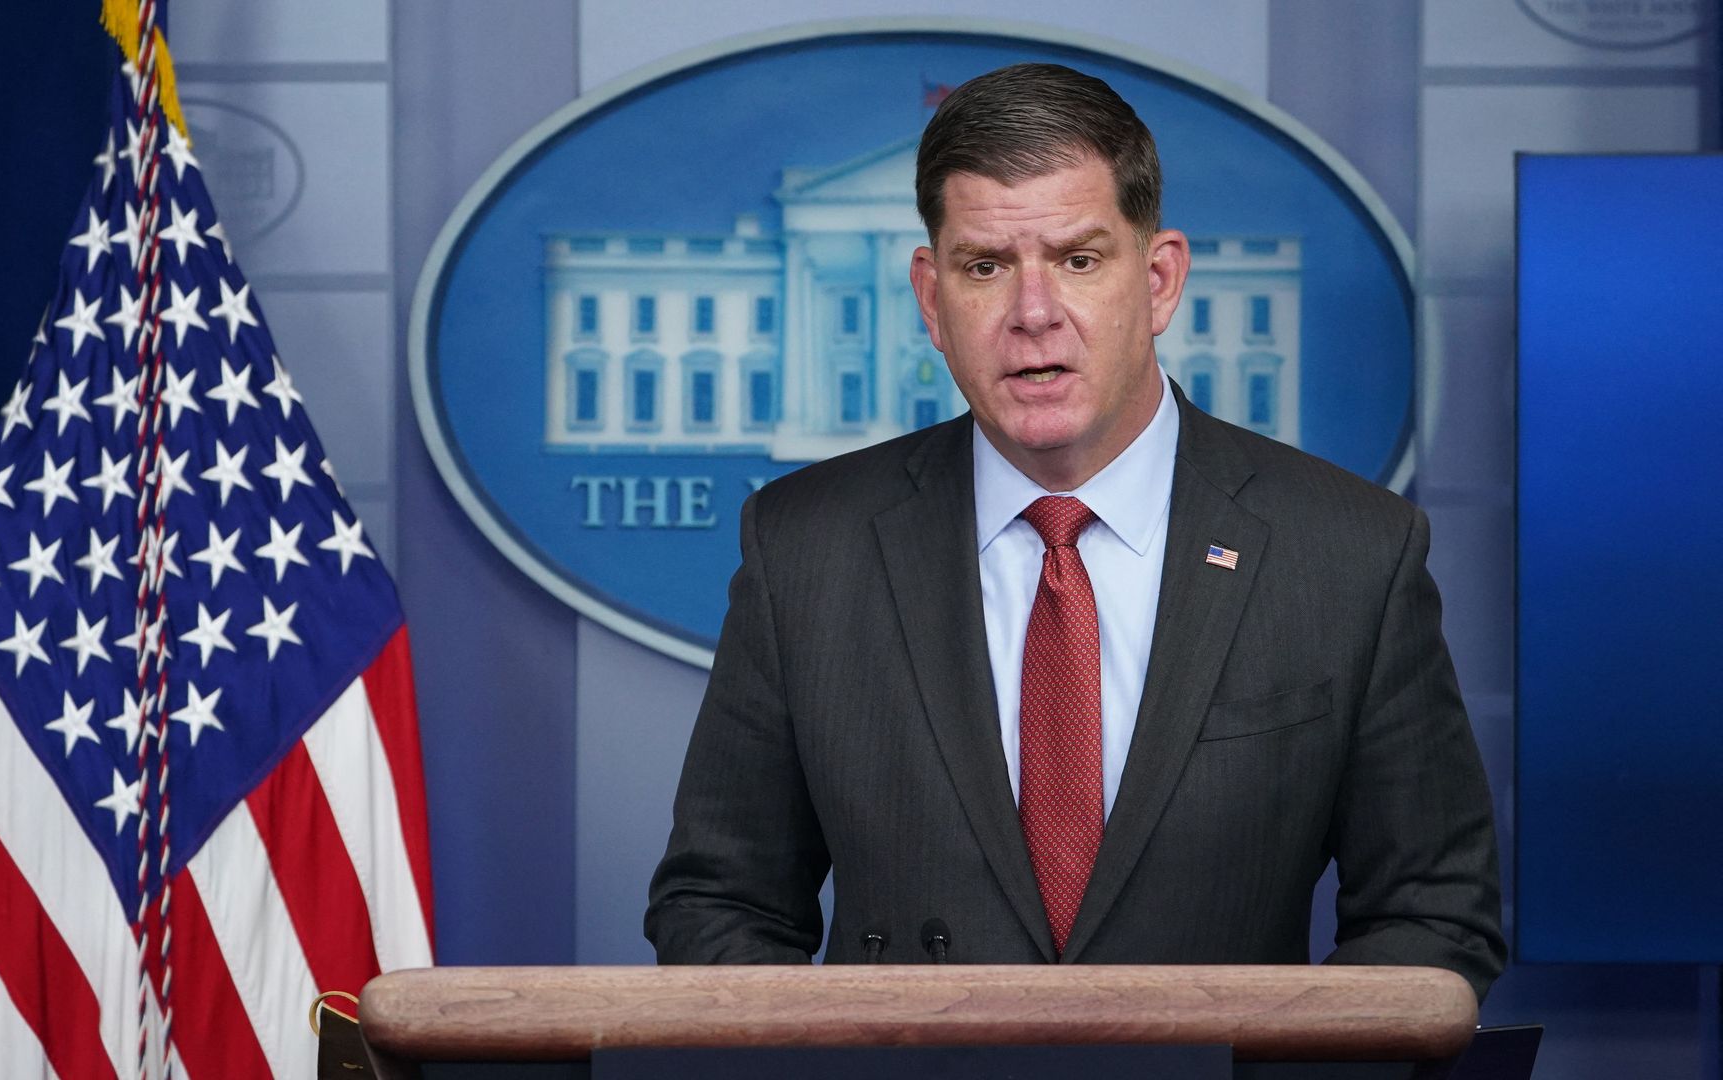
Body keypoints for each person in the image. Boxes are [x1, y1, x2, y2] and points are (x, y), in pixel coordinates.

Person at [644, 62, 1504, 1001]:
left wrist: (1270, 1059)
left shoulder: (1349, 552)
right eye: (986, 266)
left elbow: (1433, 915)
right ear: (932, 299)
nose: (1033, 313)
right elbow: (718, 904)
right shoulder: (805, 546)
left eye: (1079, 260)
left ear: (1160, 280)